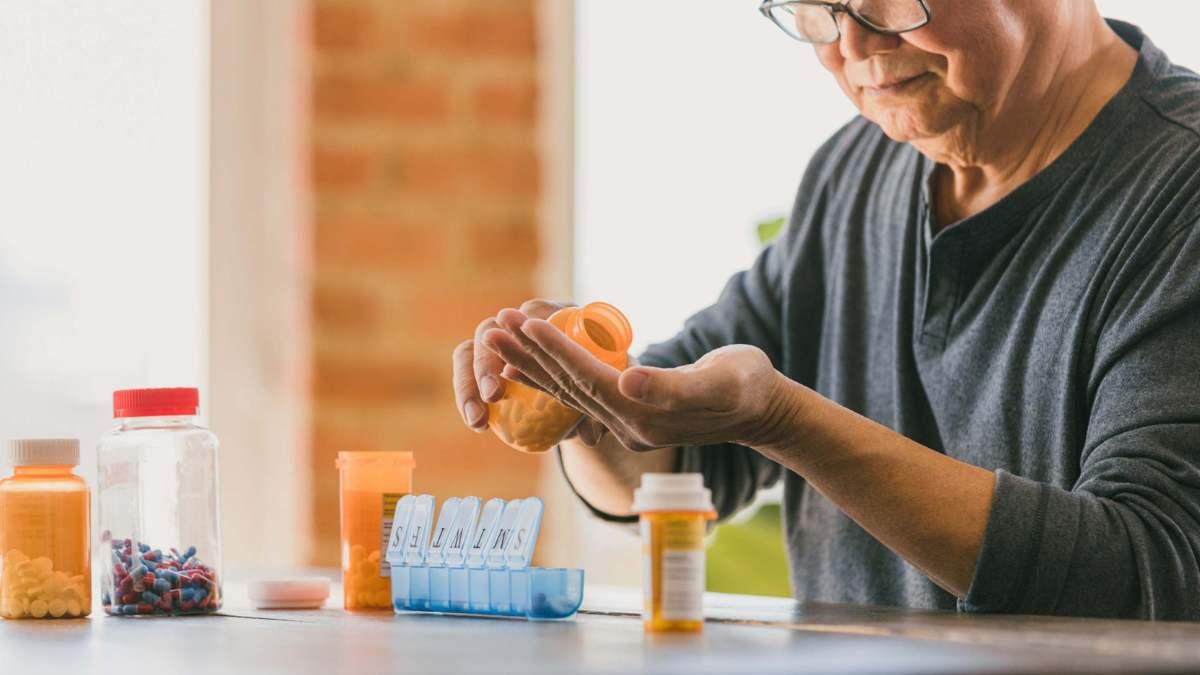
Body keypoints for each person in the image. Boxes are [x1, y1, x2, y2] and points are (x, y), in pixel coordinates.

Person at [452, 0, 1200, 619]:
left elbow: (1151, 572)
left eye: (891, 2)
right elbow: (681, 462)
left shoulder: (1179, 193)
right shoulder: (855, 170)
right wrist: (587, 399)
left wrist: (786, 421)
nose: (853, 47)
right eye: (822, 9)